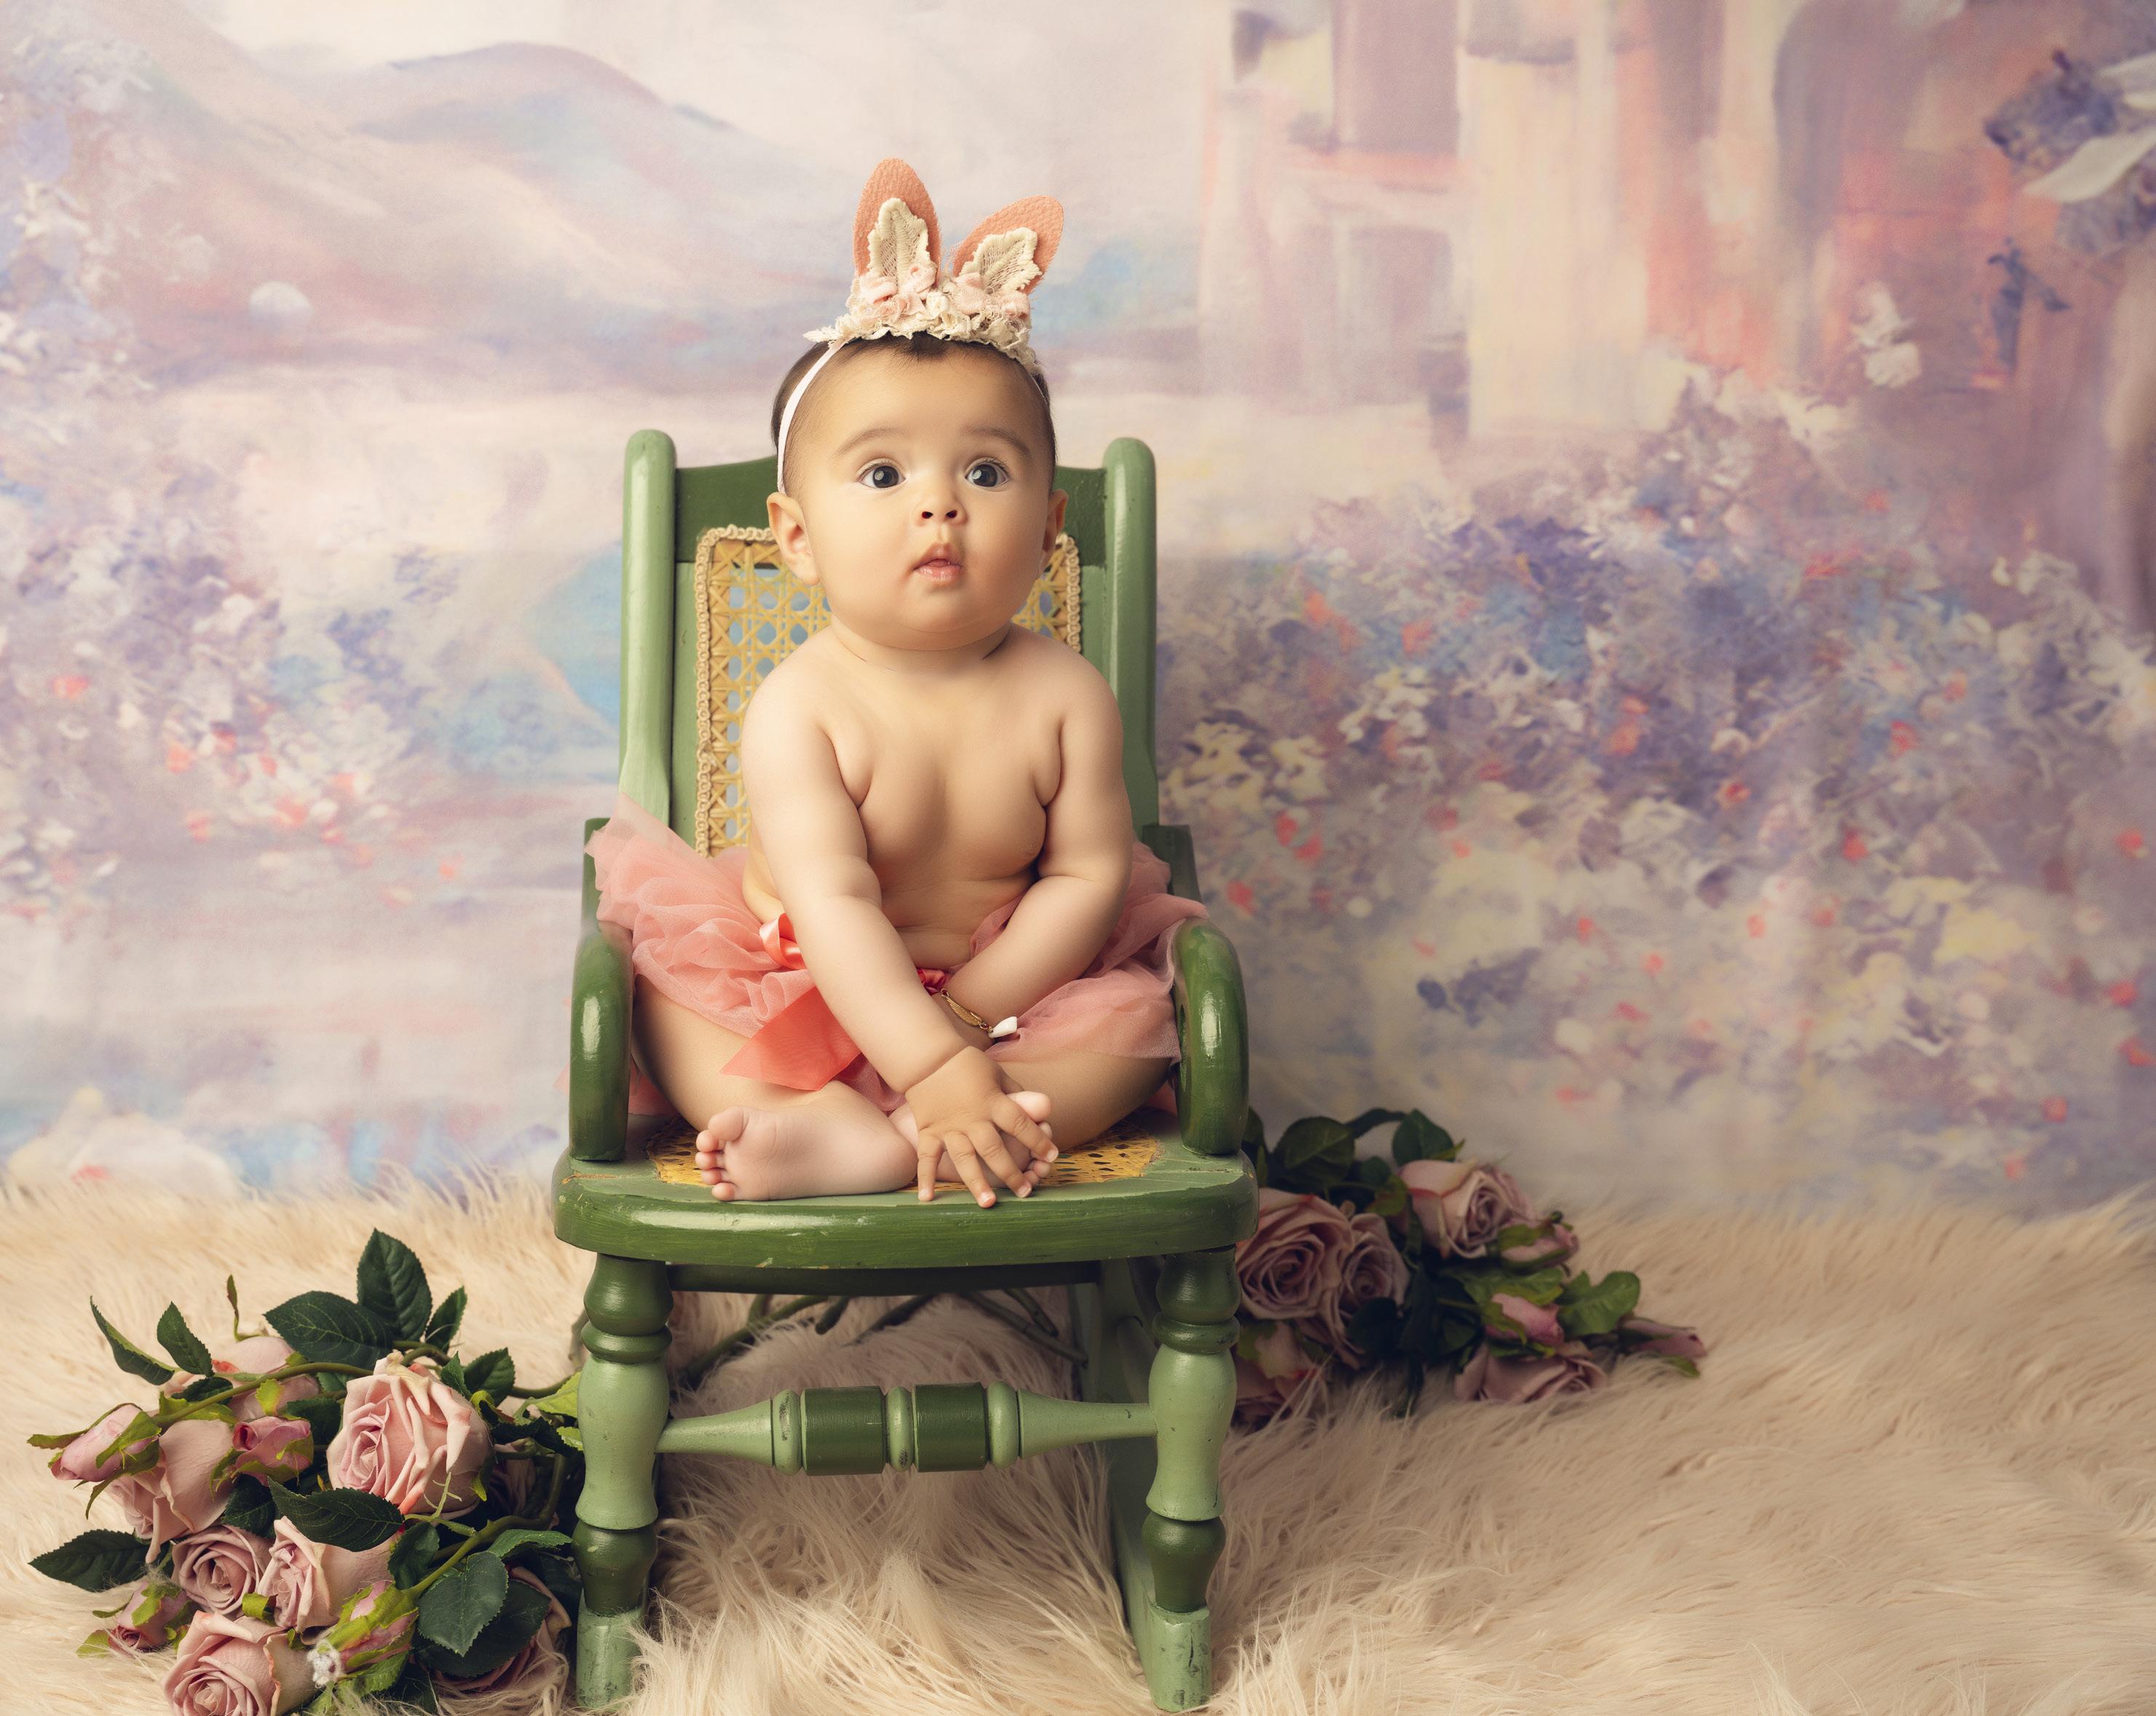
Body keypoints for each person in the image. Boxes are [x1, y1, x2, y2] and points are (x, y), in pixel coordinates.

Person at [585, 158, 1211, 1208]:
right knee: (667, 999)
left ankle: (902, 1139)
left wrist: (962, 1027)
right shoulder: (802, 707)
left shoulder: (1065, 696)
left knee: (1134, 1028)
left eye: (986, 472)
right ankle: (844, 1126)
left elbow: (1086, 878)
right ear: (796, 538)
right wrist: (926, 1058)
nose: (940, 505)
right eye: (884, 474)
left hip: (1010, 1001)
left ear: (1048, 529)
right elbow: (833, 902)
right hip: (806, 981)